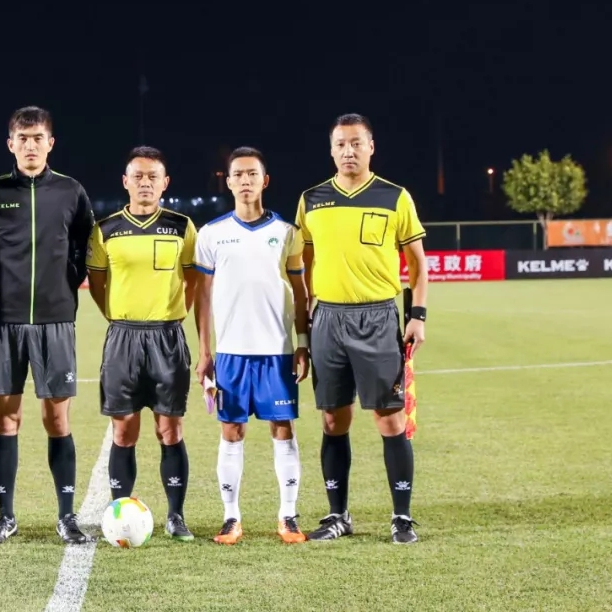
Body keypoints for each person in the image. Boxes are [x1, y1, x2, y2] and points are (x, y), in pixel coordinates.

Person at [295, 113, 428, 545]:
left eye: (356, 143)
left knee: (389, 418)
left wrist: (418, 315)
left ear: (371, 147)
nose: (348, 151)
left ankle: (402, 517)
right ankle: (338, 515)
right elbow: (303, 268)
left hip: (378, 318)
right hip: (328, 319)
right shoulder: (312, 200)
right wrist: (305, 325)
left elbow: (418, 264)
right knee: (333, 418)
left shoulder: (395, 196)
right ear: (331, 150)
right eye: (340, 144)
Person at [0, 106, 95, 545]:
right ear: (11, 144)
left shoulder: (71, 192)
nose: (30, 146)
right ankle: (5, 516)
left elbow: (84, 246)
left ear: (50, 143)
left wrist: (66, 283)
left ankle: (66, 516)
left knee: (57, 419)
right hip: (3, 322)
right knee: (7, 420)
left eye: (38, 138)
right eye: (22, 138)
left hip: (55, 322)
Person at [193, 147, 310, 546]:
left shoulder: (288, 232)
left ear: (265, 181)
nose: (245, 181)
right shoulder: (211, 234)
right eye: (238, 175)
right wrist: (205, 351)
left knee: (283, 427)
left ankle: (288, 516)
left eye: (252, 174)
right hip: (231, 353)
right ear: (227, 182)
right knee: (231, 429)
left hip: (278, 350)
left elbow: (300, 290)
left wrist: (303, 343)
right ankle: (231, 518)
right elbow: (203, 297)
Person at [86, 145, 199, 541]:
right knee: (124, 431)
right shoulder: (106, 229)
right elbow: (97, 284)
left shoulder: (181, 226)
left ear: (165, 183)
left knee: (170, 429)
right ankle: (120, 512)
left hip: (167, 337)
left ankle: (176, 516)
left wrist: (174, 313)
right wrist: (118, 317)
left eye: (153, 177)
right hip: (123, 338)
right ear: (126, 181)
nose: (145, 183)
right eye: (138, 176)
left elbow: (193, 280)